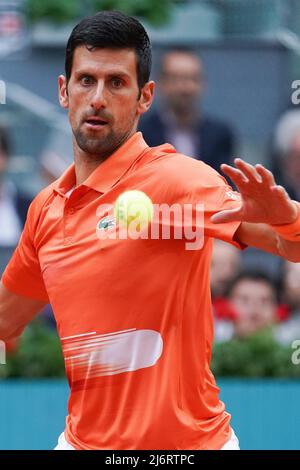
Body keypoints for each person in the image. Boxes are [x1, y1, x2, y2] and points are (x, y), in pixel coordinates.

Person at [0, 11, 300, 451]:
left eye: (117, 83)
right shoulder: (46, 210)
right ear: (64, 91)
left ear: (145, 97)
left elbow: (287, 244)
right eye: (86, 80)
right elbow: (7, 319)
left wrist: (285, 215)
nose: (98, 98)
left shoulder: (179, 181)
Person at [139, 48, 235, 171]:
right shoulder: (141, 133)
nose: (186, 87)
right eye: (177, 79)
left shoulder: (219, 134)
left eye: (193, 79)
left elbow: (225, 183)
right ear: (161, 83)